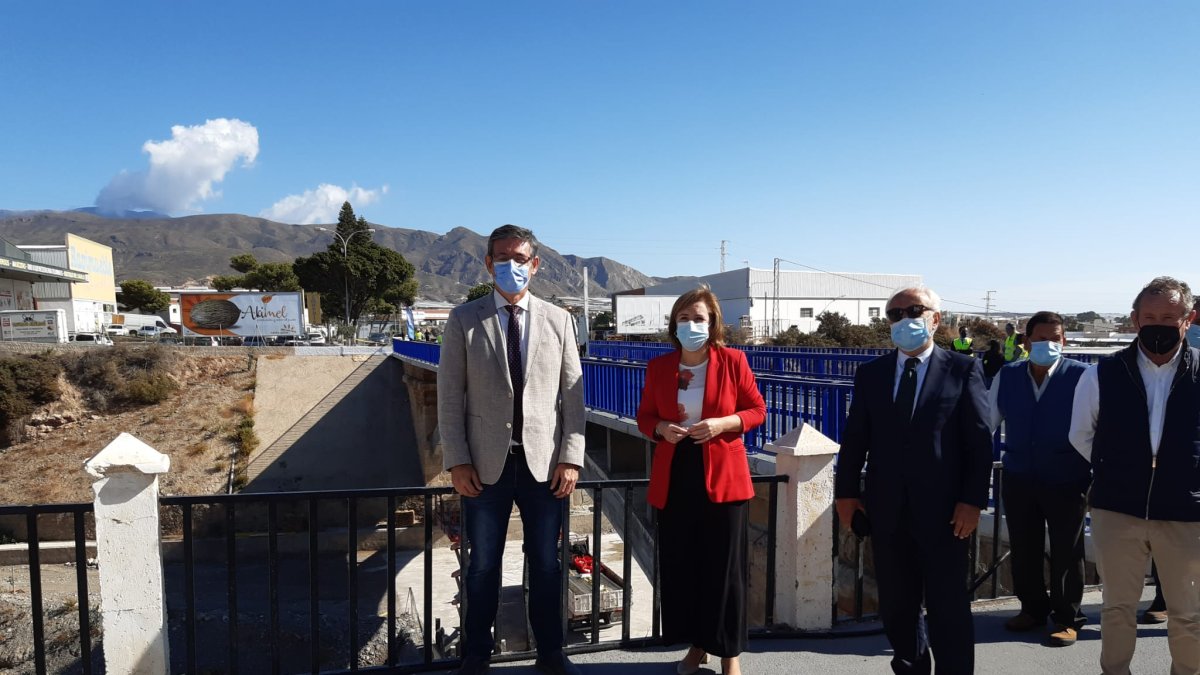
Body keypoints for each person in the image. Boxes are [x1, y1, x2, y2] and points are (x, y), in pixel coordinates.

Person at [437, 224, 586, 675]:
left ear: (535, 265)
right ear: (488, 263)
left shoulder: (559, 320)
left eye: (519, 258)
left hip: (545, 466)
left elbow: (572, 399)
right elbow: (448, 396)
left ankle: (550, 653)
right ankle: (476, 656)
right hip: (484, 464)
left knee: (545, 564)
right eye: (502, 258)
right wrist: (457, 459)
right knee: (483, 566)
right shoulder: (464, 319)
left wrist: (572, 457)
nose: (511, 266)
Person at [835, 285, 993, 674]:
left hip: (946, 514)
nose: (904, 319)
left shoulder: (963, 369)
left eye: (914, 310)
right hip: (887, 509)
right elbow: (856, 437)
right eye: (895, 314)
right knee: (897, 605)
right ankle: (910, 666)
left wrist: (973, 501)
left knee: (948, 606)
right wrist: (847, 493)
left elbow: (979, 442)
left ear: (935, 319)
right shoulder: (871, 374)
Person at [1068, 276, 1200, 675]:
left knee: (1188, 615)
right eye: (1150, 316)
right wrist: (1121, 468)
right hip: (1118, 510)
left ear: (1188, 319)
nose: (1158, 324)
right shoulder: (1102, 373)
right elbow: (1080, 434)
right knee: (1116, 609)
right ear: (1134, 319)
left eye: (1169, 317)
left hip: (1186, 513)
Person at [635, 286, 765, 675]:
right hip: (676, 473)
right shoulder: (659, 367)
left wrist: (722, 423)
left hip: (722, 475)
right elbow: (644, 417)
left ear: (713, 324)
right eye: (685, 318)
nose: (692, 324)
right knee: (685, 566)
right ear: (674, 323)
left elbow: (757, 410)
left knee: (724, 569)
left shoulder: (733, 361)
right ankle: (697, 646)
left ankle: (730, 654)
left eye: (699, 318)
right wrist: (660, 427)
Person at [987, 311, 1090, 646]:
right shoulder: (1009, 374)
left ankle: (1068, 618)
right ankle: (1032, 609)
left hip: (1067, 478)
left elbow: (1098, 428)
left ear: (1065, 340)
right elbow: (987, 420)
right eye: (1041, 338)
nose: (1049, 344)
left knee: (1067, 549)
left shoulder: (1084, 377)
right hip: (1019, 476)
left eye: (1056, 337)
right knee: (1023, 547)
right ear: (1027, 341)